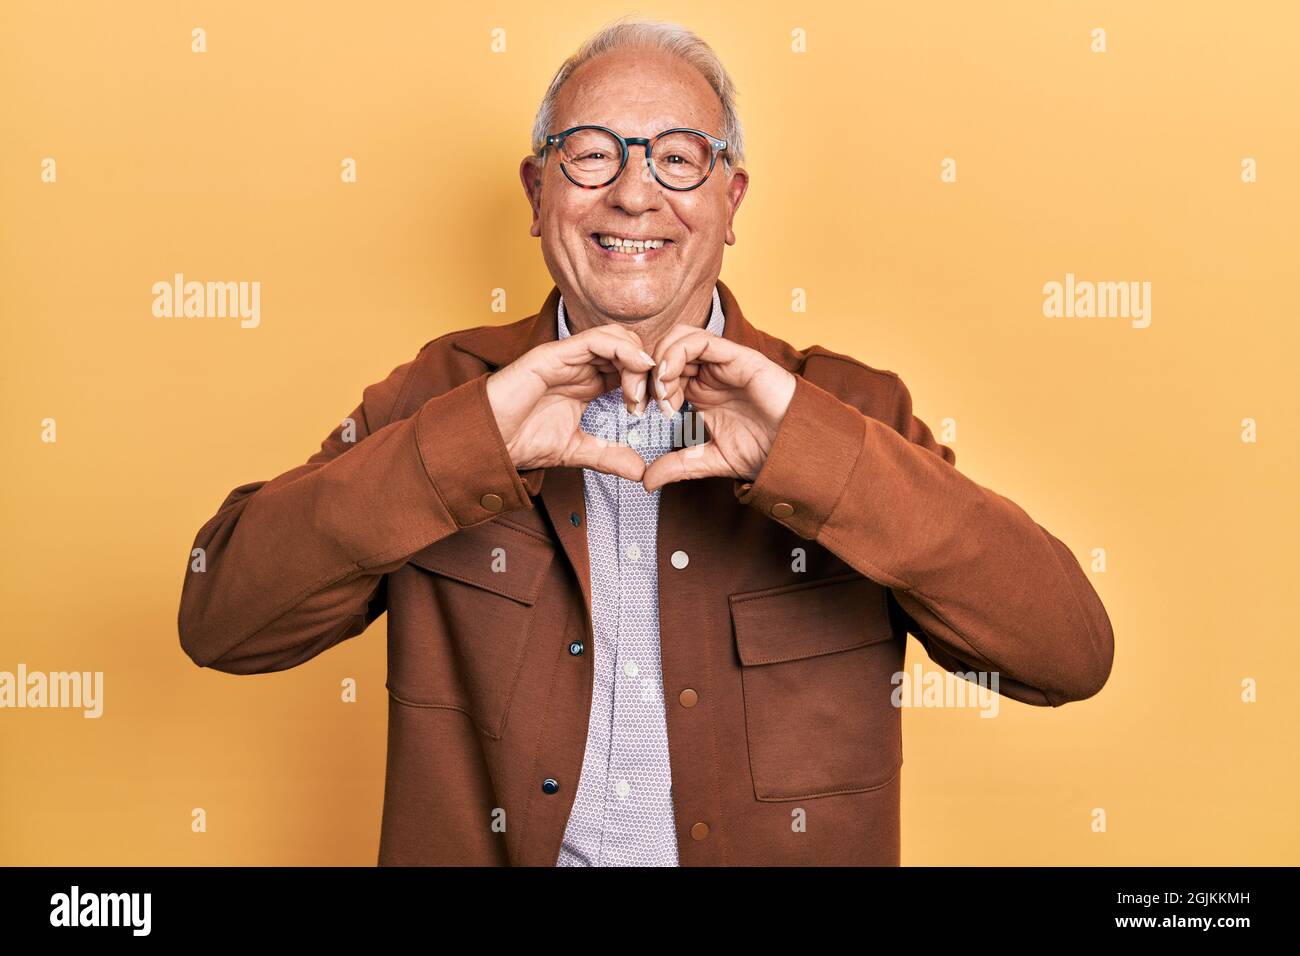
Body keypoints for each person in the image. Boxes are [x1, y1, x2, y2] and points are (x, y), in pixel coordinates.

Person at [178, 17, 1114, 866]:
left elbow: (1065, 654)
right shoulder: (445, 391)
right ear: (539, 191)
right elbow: (223, 620)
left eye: (679, 157)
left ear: (731, 198)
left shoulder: (848, 406)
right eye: (591, 155)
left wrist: (815, 458)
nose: (633, 195)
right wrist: (466, 448)